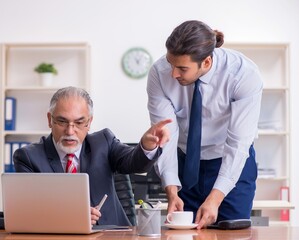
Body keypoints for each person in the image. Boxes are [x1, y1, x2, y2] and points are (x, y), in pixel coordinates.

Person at [147, 20, 263, 229]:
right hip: (186, 162)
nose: (174, 73)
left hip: (229, 161)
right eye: (171, 64)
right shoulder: (159, 73)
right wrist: (171, 190)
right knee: (183, 232)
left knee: (231, 231)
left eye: (182, 68)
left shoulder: (243, 75)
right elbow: (165, 136)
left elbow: (238, 143)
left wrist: (215, 198)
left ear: (207, 62)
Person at [13, 86, 172, 226]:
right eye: (62, 122)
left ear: (89, 122)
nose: (70, 131)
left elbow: (133, 163)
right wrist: (69, 217)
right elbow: (29, 211)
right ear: (50, 120)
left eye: (79, 123)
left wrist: (146, 146)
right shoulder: (28, 157)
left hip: (111, 234)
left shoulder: (103, 142)